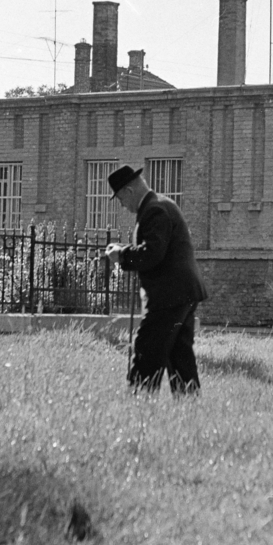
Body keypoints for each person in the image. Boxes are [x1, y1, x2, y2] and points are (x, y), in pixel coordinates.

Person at [104, 164, 208, 393]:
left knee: (147, 349)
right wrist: (126, 250)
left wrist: (121, 255)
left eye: (121, 200)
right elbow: (157, 248)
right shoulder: (163, 203)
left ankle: (139, 404)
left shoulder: (154, 210)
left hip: (168, 296)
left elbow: (152, 254)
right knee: (179, 354)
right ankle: (189, 406)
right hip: (183, 293)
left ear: (129, 191)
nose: (123, 206)